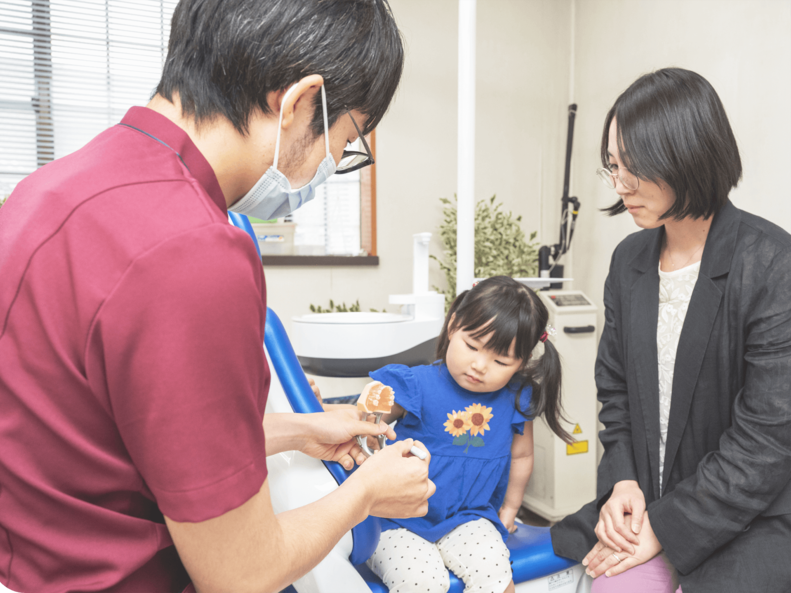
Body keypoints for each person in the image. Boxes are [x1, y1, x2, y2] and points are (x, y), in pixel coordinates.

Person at [0, 1, 436, 592]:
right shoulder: (194, 250)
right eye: (347, 138)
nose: (335, 162)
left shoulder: (45, 191)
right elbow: (241, 573)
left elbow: (112, 437)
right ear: (303, 102)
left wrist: (297, 430)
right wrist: (366, 493)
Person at [550, 68, 791, 593]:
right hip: (646, 500)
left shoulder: (772, 263)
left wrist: (664, 526)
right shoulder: (629, 261)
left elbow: (767, 441)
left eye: (634, 168)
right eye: (613, 167)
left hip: (748, 516)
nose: (619, 185)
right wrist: (622, 482)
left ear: (686, 153)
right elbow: (615, 392)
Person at [355, 276, 573, 593]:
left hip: (468, 517)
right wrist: (363, 414)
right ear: (454, 325)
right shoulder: (415, 384)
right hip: (394, 520)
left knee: (495, 573)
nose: (479, 365)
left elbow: (522, 455)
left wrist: (511, 509)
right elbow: (365, 423)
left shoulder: (516, 398)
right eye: (472, 346)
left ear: (521, 362)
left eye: (500, 360)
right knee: (422, 581)